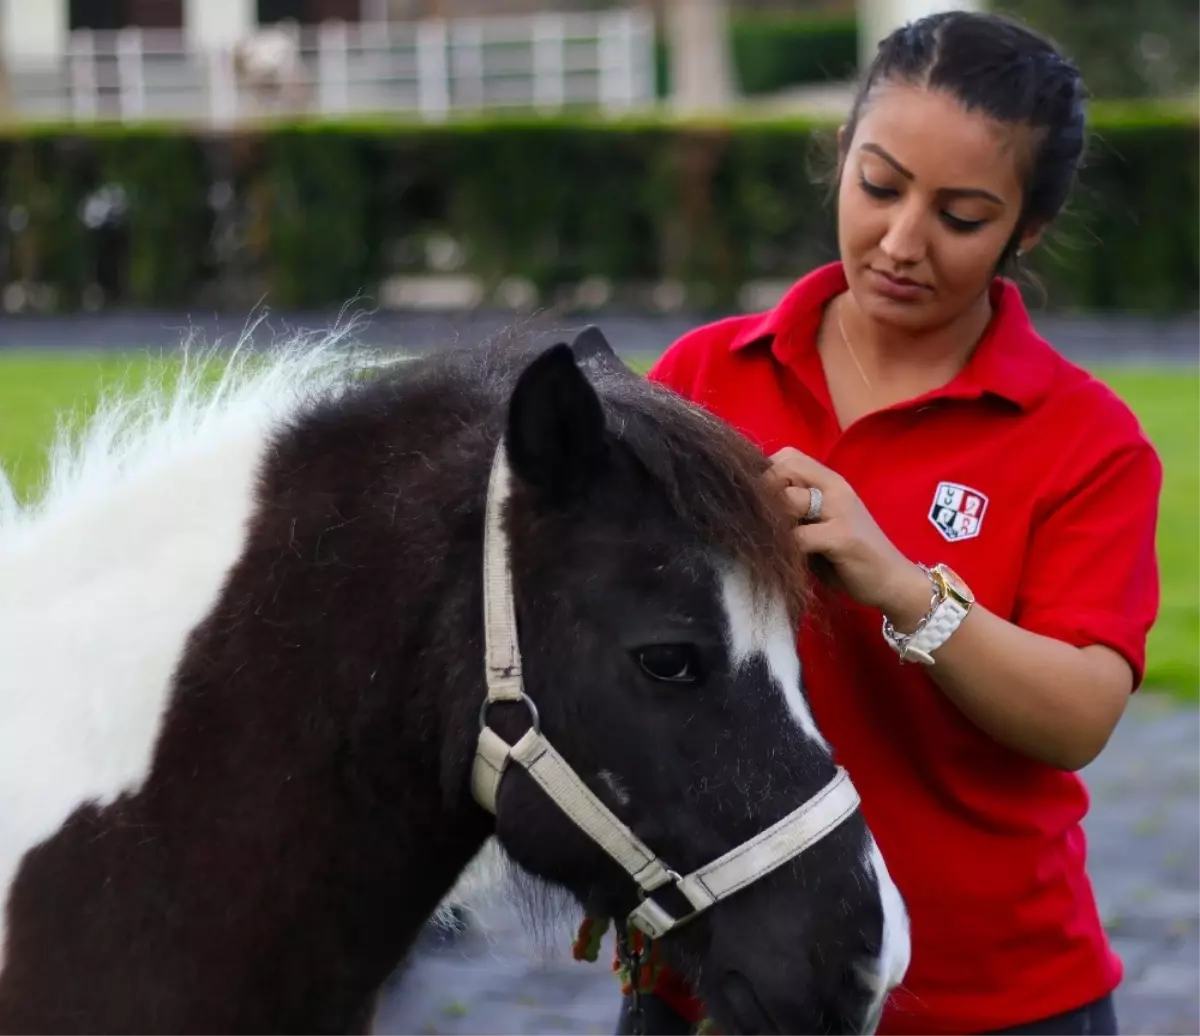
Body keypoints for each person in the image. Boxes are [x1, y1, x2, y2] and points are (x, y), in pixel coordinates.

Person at [613, 10, 1163, 1036]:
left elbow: (1080, 714)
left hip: (992, 999)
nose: (903, 241)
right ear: (840, 156)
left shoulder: (1087, 439)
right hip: (721, 990)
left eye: (960, 215)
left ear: (1027, 229)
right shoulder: (701, 379)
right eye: (879, 185)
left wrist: (907, 588)